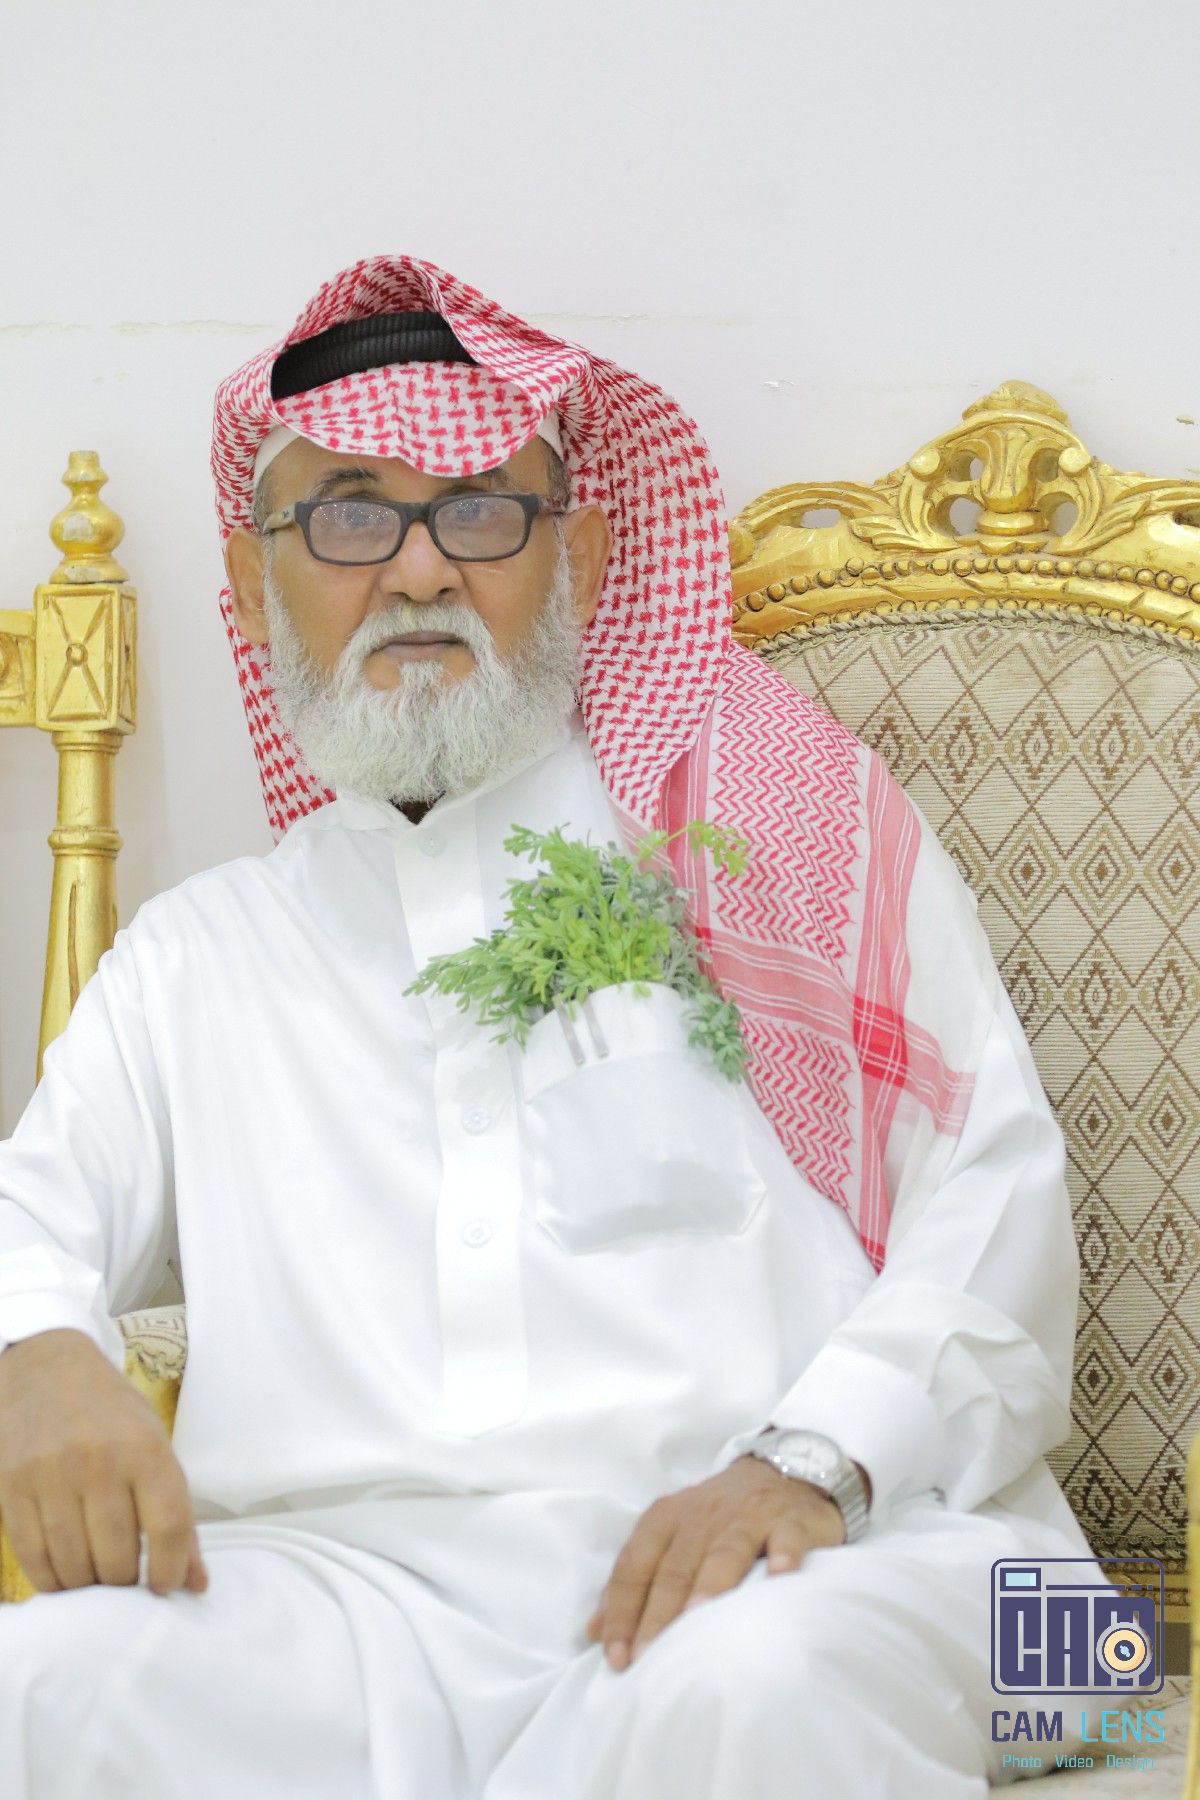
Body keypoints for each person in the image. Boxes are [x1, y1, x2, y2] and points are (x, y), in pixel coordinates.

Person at [0, 256, 1108, 1799]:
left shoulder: (766, 833)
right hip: (352, 1612)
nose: (418, 572)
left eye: (478, 512)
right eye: (349, 518)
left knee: (748, 1693)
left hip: (851, 1549)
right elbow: (31, 1218)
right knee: (36, 1687)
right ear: (254, 585)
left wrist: (812, 1460)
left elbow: (996, 1191)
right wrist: (36, 1351)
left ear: (579, 553)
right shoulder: (198, 958)